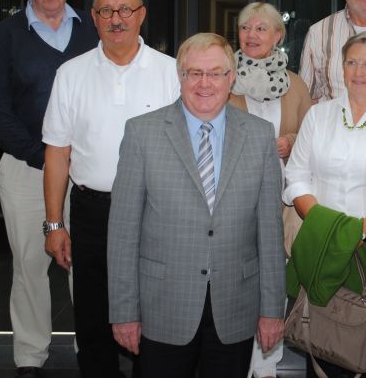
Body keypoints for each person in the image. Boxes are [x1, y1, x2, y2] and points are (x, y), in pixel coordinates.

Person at [107, 33, 286, 378]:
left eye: (216, 73)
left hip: (235, 307)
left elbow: (269, 230)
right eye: (195, 73)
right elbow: (123, 233)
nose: (205, 83)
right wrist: (124, 311)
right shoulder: (142, 134)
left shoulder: (260, 135)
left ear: (231, 78)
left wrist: (271, 309)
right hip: (163, 307)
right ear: (181, 77)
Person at [41, 0, 180, 377]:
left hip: (156, 211)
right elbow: (57, 152)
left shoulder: (171, 73)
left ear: (142, 15)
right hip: (92, 210)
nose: (116, 20)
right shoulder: (70, 74)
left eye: (125, 11)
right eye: (106, 11)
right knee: (92, 318)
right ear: (93, 17)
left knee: (154, 315)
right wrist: (55, 224)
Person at [0, 0, 99, 378]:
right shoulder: (7, 34)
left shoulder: (94, 29)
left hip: (86, 174)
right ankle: (30, 356)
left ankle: (92, 350)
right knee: (30, 266)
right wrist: (47, 158)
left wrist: (75, 161)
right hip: (26, 169)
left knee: (85, 266)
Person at [285, 32, 366, 377]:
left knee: (365, 345)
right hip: (318, 248)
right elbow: (296, 175)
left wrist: (355, 235)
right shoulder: (318, 116)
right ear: (341, 67)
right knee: (318, 340)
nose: (359, 71)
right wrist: (327, 231)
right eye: (351, 62)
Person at [227, 2, 311, 378]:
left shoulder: (295, 85)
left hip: (280, 201)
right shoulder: (223, 79)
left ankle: (266, 366)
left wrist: (292, 140)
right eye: (246, 27)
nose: (252, 35)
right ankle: (235, 359)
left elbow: (312, 139)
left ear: (279, 36)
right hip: (232, 202)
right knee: (236, 282)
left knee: (274, 283)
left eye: (262, 28)